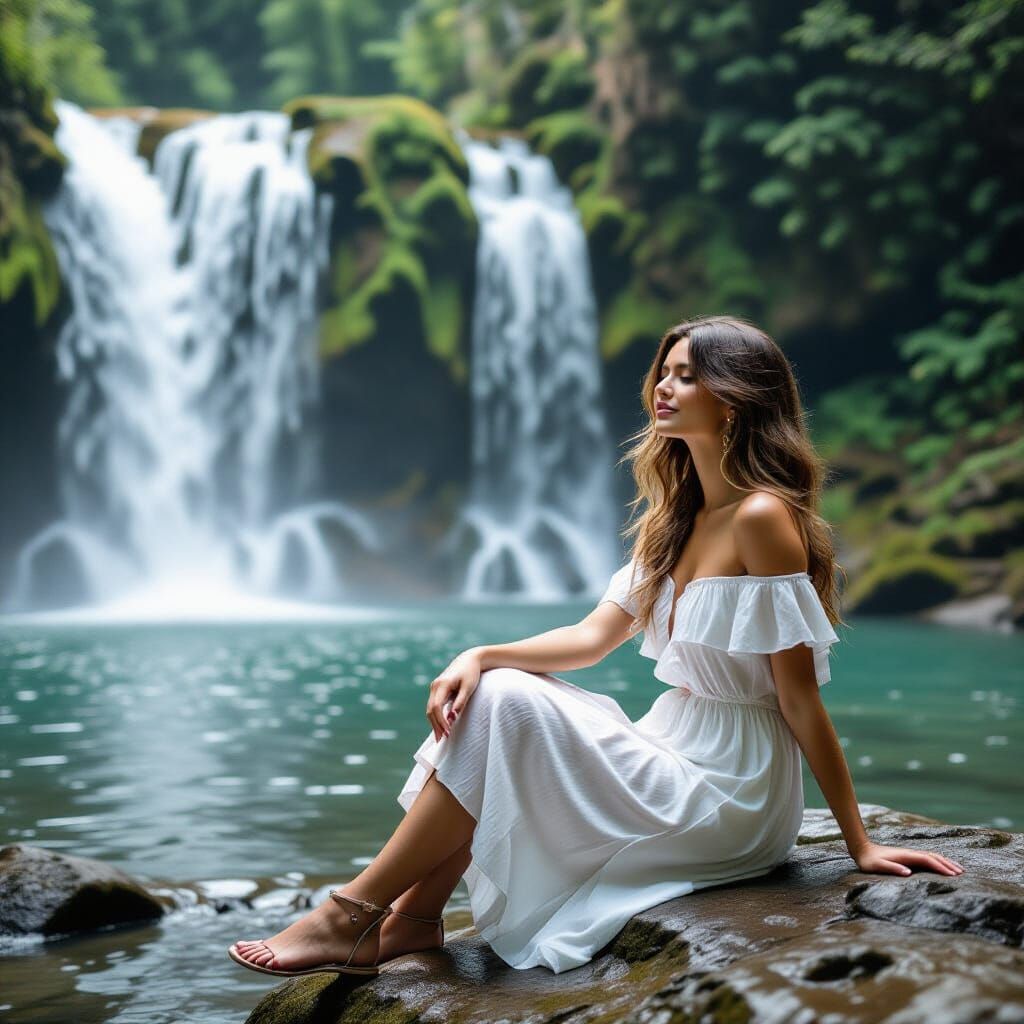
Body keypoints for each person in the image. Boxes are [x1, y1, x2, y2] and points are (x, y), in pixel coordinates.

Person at [228, 313, 965, 979]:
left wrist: (858, 843)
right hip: (674, 744)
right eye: (664, 372)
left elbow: (799, 698)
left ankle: (350, 914)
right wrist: (479, 654)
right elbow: (590, 639)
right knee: (498, 696)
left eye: (686, 375)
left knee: (510, 707)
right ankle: (413, 919)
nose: (663, 389)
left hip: (734, 785)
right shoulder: (674, 518)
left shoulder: (763, 518)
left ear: (734, 400)